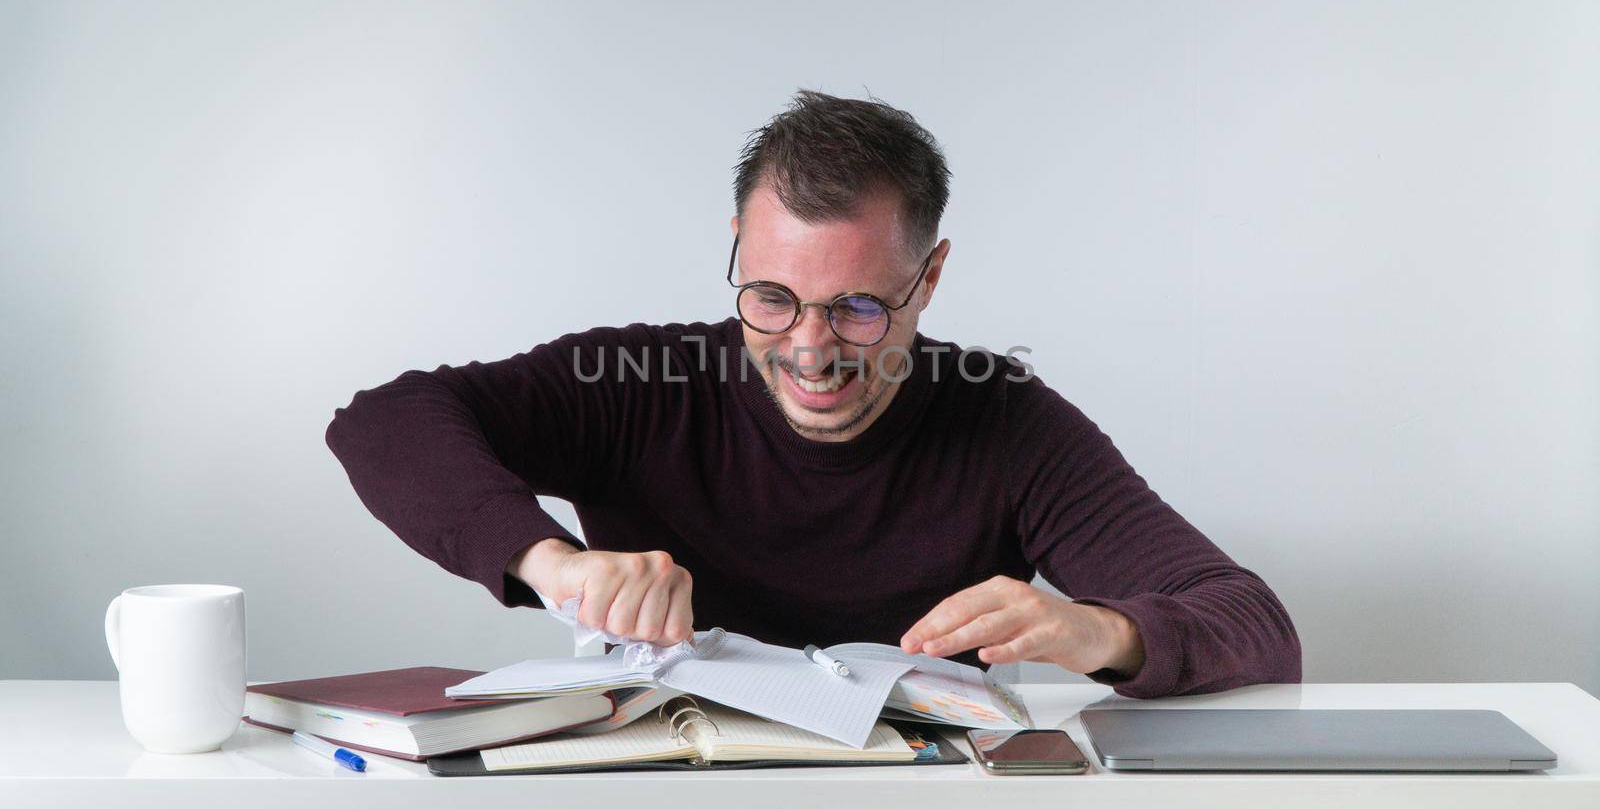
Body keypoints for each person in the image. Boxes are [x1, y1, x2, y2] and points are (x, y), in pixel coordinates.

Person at [326, 90, 1301, 697]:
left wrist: (1105, 632)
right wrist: (552, 564)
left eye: (859, 308)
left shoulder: (1006, 424)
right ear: (738, 257)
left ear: (929, 279)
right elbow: (384, 422)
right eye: (771, 298)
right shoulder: (641, 384)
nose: (807, 348)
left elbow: (1253, 625)